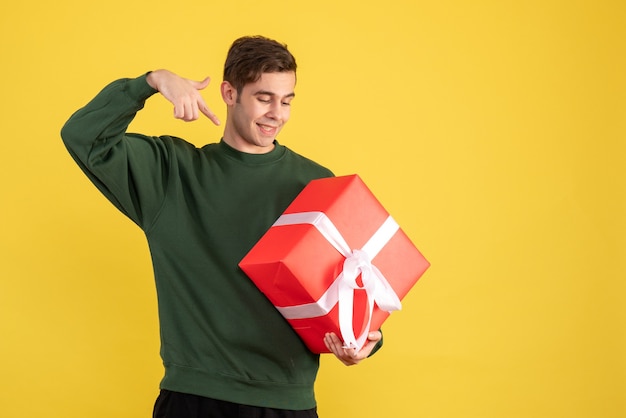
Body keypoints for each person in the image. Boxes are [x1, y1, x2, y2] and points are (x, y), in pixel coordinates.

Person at [61, 35, 382, 418]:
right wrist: (151, 82)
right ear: (229, 93)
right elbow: (83, 137)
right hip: (192, 398)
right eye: (264, 98)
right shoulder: (171, 175)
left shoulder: (316, 184)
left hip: (286, 403)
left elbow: (358, 289)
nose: (276, 113)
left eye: (287, 100)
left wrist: (365, 341)